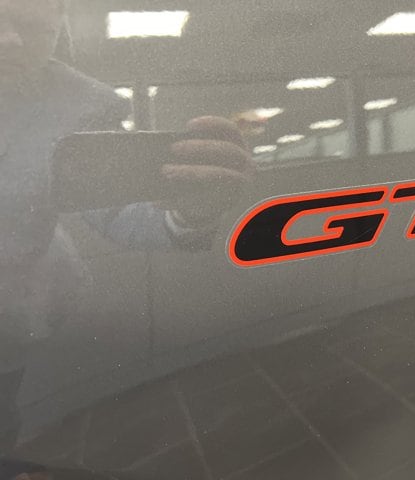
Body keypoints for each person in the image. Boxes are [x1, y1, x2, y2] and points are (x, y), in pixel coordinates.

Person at [0, 0, 253, 467]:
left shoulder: (72, 107)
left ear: (60, 24)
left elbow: (119, 213)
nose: (10, 40)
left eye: (34, 25)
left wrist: (190, 213)